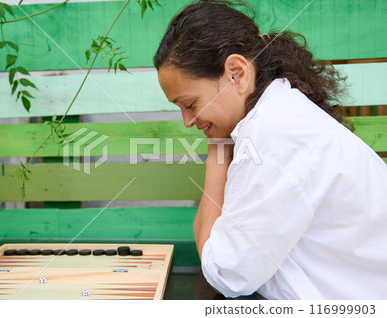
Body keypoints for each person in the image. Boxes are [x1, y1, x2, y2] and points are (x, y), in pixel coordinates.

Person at [153, 0, 387, 300]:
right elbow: (212, 242)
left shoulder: (275, 136)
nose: (187, 122)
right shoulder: (274, 118)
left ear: (237, 73)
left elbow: (225, 272)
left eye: (190, 104)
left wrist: (216, 155)